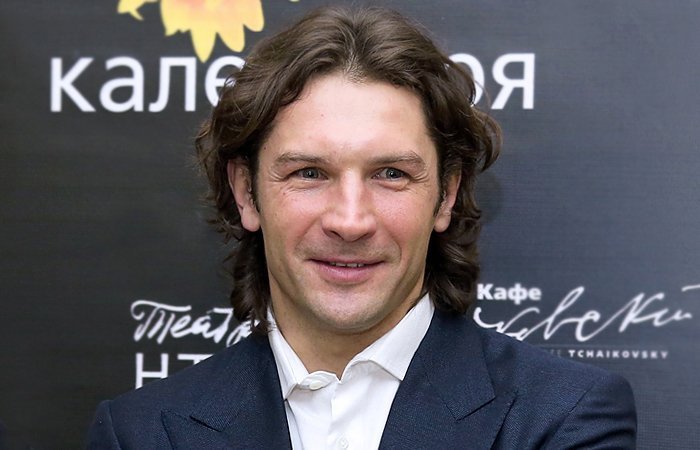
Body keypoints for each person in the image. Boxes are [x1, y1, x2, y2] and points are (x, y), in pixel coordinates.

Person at [87, 5, 636, 449]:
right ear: (246, 192)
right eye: (309, 173)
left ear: (445, 195)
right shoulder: (140, 434)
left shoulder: (562, 418)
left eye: (391, 174)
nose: (350, 220)